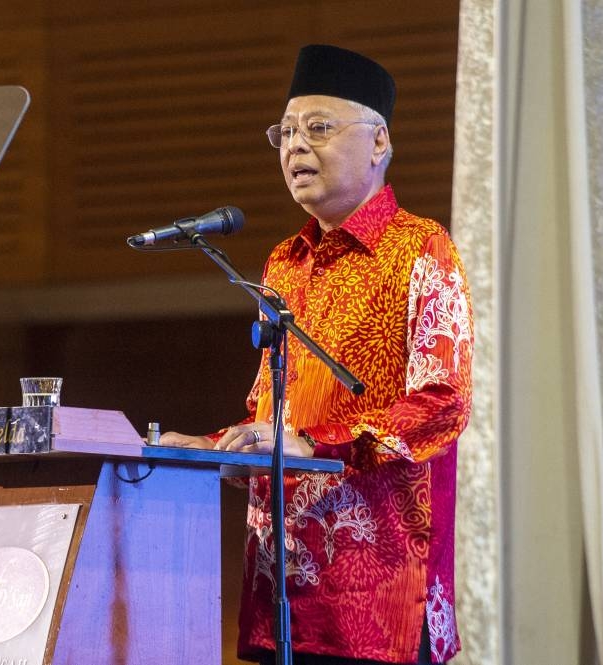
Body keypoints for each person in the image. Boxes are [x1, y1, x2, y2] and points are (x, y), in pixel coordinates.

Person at [161, 44, 473, 665]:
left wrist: (319, 445)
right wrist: (219, 447)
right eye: (286, 132)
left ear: (379, 141)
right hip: (285, 586)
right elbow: (271, 410)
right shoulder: (283, 263)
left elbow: (443, 405)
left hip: (382, 591)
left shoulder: (421, 249)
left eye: (319, 128)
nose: (295, 147)